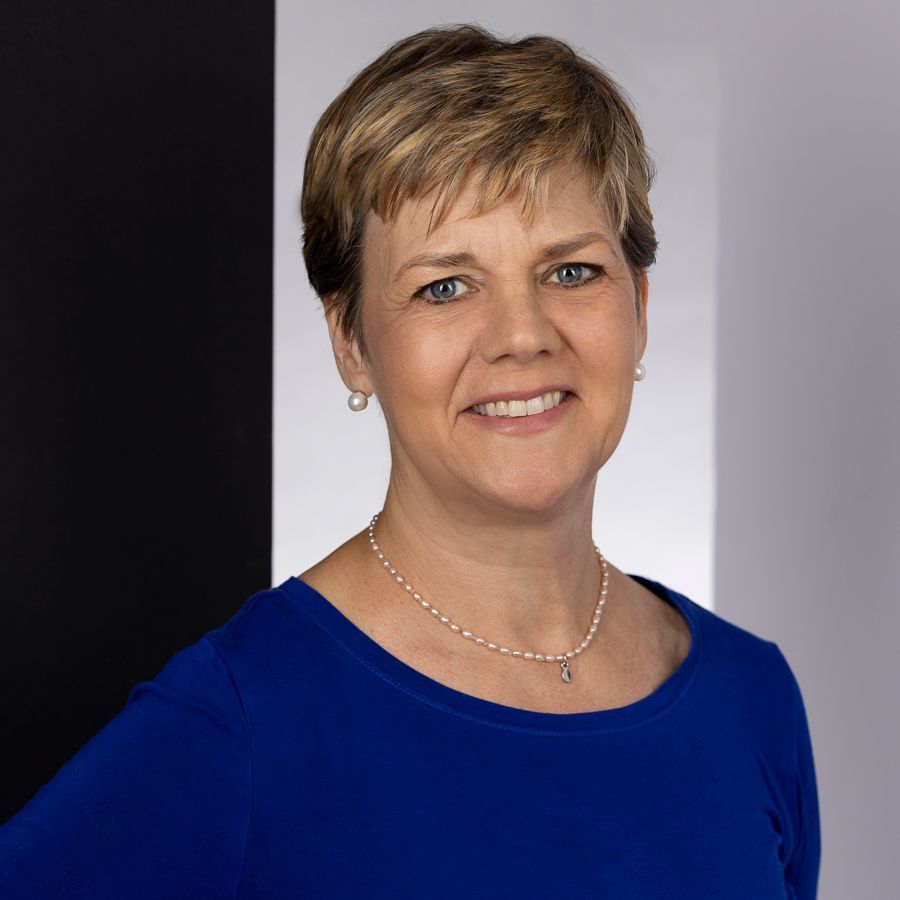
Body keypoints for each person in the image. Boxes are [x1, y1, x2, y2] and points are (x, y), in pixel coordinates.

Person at [0, 23, 820, 899]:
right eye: (444, 286)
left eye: (571, 272)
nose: (522, 337)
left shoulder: (751, 698)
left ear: (641, 307)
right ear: (351, 342)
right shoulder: (245, 717)